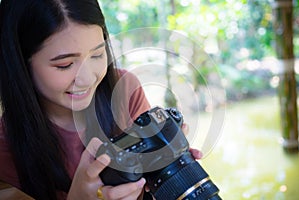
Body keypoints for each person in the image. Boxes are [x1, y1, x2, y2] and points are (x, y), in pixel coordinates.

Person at [0, 0, 202, 200]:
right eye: (65, 65)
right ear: (20, 64)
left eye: (97, 54)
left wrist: (171, 168)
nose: (88, 78)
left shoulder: (124, 89)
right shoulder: (5, 145)